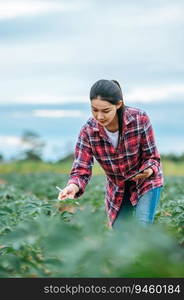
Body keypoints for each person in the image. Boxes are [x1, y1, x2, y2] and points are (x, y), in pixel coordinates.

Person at [58, 79, 164, 228]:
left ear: (118, 104)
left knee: (142, 229)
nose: (99, 116)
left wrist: (148, 170)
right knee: (119, 238)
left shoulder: (140, 119)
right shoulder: (88, 131)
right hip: (118, 188)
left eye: (105, 110)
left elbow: (152, 157)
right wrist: (72, 187)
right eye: (94, 109)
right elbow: (81, 169)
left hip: (146, 182)